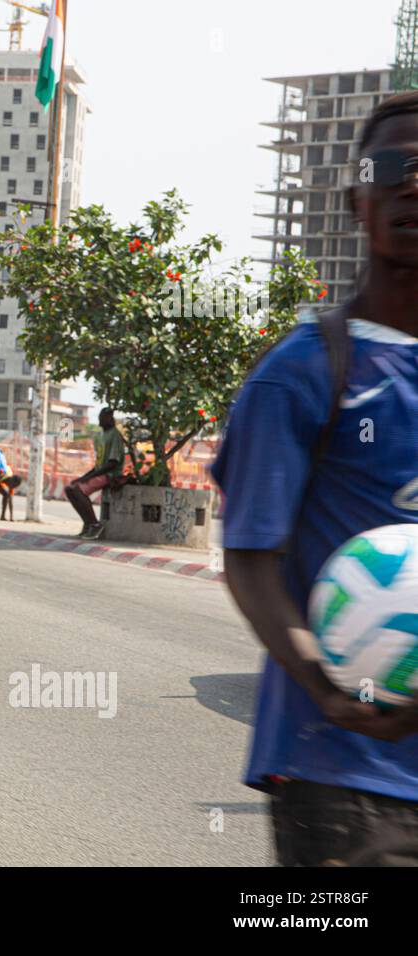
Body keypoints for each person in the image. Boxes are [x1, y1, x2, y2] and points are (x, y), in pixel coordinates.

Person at [214, 91, 418, 866]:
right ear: (356, 200)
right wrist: (326, 683)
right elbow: (250, 557)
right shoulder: (303, 374)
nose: (415, 184)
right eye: (394, 167)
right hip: (343, 777)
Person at [64, 407, 124, 539]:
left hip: (110, 474)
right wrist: (83, 477)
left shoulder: (114, 435)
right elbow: (98, 465)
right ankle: (87, 523)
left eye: (106, 417)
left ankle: (95, 524)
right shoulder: (103, 436)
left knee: (77, 490)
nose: (102, 420)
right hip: (100, 472)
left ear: (110, 419)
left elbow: (112, 463)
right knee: (70, 488)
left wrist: (90, 477)